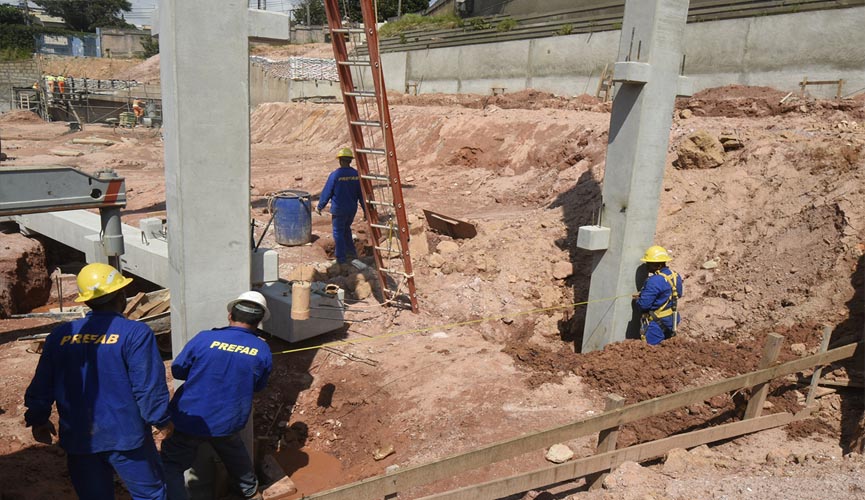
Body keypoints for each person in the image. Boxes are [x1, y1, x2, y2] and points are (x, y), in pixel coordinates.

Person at [24, 263, 173, 500]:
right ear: (121, 296)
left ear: (86, 300)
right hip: (127, 438)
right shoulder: (135, 333)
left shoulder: (60, 335)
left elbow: (42, 383)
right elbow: (148, 388)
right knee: (151, 494)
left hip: (79, 438)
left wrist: (38, 417)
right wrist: (163, 422)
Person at [160, 291, 273, 500]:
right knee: (235, 456)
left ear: (230, 315)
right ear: (258, 323)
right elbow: (258, 386)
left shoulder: (206, 338)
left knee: (171, 465)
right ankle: (251, 493)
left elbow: (178, 370)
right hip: (227, 421)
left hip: (190, 418)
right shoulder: (262, 350)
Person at [316, 147, 364, 264]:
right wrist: (366, 210)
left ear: (340, 160)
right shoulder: (356, 175)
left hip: (339, 210)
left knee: (338, 233)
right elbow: (361, 195)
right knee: (346, 229)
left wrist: (320, 206)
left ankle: (341, 258)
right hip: (352, 209)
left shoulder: (335, 175)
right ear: (350, 160)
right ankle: (352, 253)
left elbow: (327, 191)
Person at [634, 245, 683, 345]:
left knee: (650, 352)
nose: (647, 266)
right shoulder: (674, 275)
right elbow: (678, 294)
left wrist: (638, 300)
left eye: (649, 264)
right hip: (672, 319)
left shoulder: (654, 281)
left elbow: (643, 305)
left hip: (656, 324)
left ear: (659, 265)